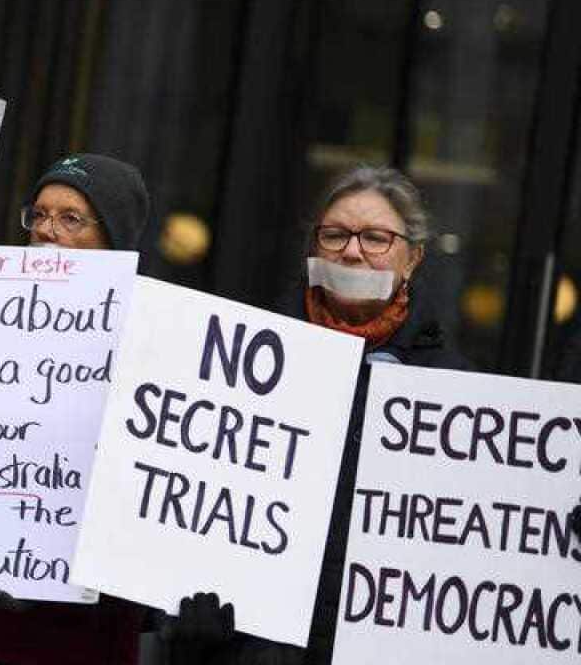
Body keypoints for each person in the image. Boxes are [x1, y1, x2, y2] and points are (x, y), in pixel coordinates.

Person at [159, 166, 468, 665]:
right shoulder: (236, 365)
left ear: (412, 259)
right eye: (335, 235)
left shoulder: (455, 392)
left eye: (376, 238)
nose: (351, 251)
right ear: (313, 252)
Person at [0, 153, 151, 665]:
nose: (46, 230)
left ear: (115, 239)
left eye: (70, 218)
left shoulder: (148, 344)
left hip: (71, 639)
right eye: (38, 215)